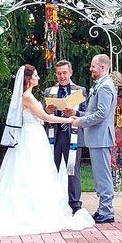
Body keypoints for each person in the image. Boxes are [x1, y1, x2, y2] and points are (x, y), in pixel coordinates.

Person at [0, 65, 94, 236]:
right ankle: (32, 209)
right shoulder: (28, 97)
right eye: (36, 75)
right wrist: (70, 120)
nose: (38, 77)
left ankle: (38, 205)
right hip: (31, 137)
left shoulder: (29, 96)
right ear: (29, 79)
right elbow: (45, 117)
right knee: (32, 172)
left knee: (35, 173)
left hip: (35, 135)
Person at [72, 54, 117, 224]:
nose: (90, 69)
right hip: (97, 137)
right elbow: (94, 112)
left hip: (101, 137)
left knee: (103, 176)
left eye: (93, 66)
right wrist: (77, 114)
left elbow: (102, 114)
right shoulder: (101, 84)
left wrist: (81, 122)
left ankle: (107, 211)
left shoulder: (105, 86)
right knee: (99, 176)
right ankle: (103, 209)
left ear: (103, 68)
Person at [44, 60, 87, 215]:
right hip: (54, 135)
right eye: (59, 73)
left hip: (72, 135)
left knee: (72, 171)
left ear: (71, 73)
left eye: (64, 73)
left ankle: (75, 204)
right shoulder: (50, 91)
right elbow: (42, 114)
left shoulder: (79, 90)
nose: (62, 76)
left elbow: (87, 113)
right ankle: (50, 202)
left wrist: (75, 113)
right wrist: (47, 110)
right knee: (51, 169)